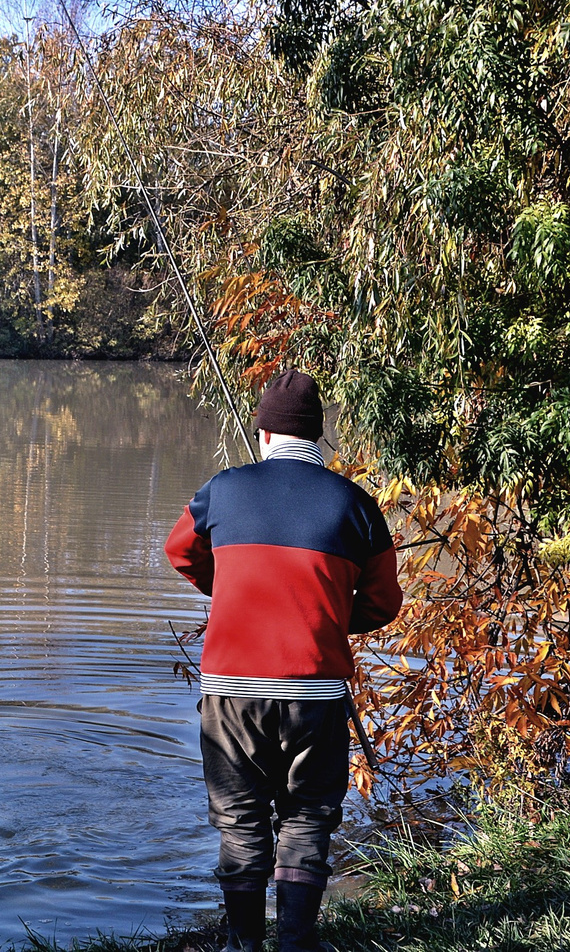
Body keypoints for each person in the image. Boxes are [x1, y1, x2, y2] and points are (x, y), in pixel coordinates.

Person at [164, 371, 402, 952]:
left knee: (241, 819)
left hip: (231, 694)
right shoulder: (356, 504)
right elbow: (383, 602)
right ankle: (296, 943)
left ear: (264, 434)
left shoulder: (223, 489)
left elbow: (178, 551)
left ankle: (244, 944)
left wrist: (228, 589)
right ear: (318, 439)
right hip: (315, 695)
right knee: (307, 816)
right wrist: (319, 615)